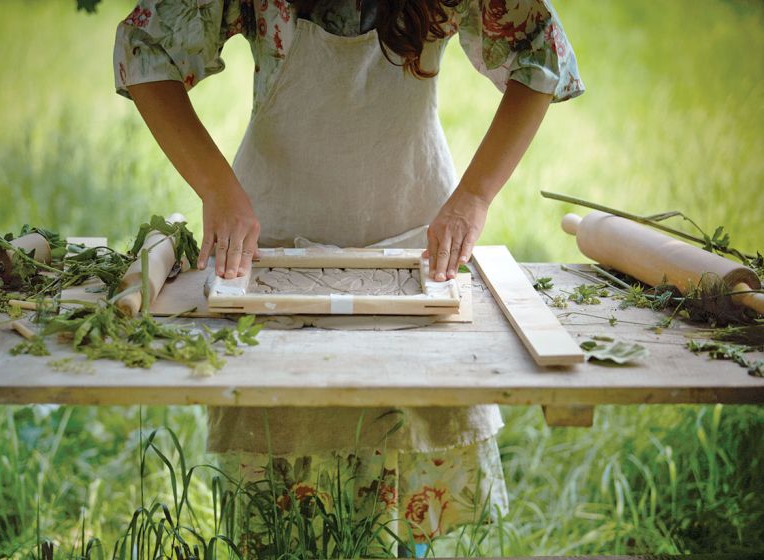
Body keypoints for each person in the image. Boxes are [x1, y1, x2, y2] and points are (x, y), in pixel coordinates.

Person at [114, 0, 583, 556]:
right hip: (271, 254)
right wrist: (216, 188)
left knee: (400, 511)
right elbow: (144, 48)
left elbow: (541, 47)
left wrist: (476, 196)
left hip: (414, 254)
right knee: (281, 516)